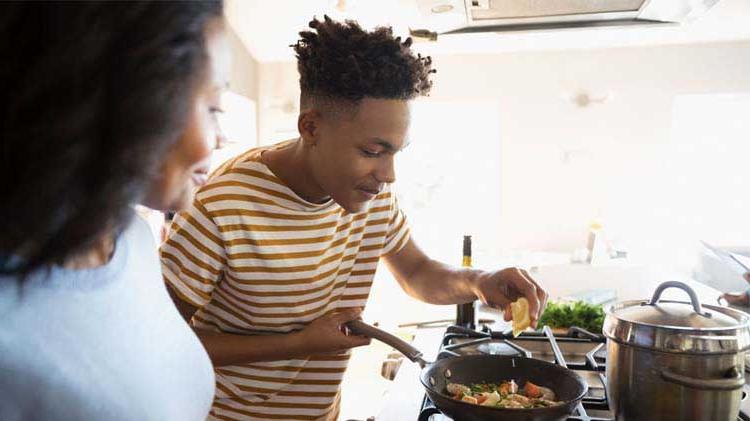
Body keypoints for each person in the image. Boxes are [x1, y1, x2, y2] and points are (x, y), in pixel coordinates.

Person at [161, 16, 548, 421]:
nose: (389, 174)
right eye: (372, 151)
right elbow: (161, 343)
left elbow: (416, 272)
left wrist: (478, 282)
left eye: (397, 152)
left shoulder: (371, 196)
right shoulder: (223, 204)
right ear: (311, 127)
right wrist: (299, 343)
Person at [0, 1, 228, 419]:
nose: (221, 138)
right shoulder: (10, 339)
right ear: (135, 99)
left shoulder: (129, 238)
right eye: (213, 108)